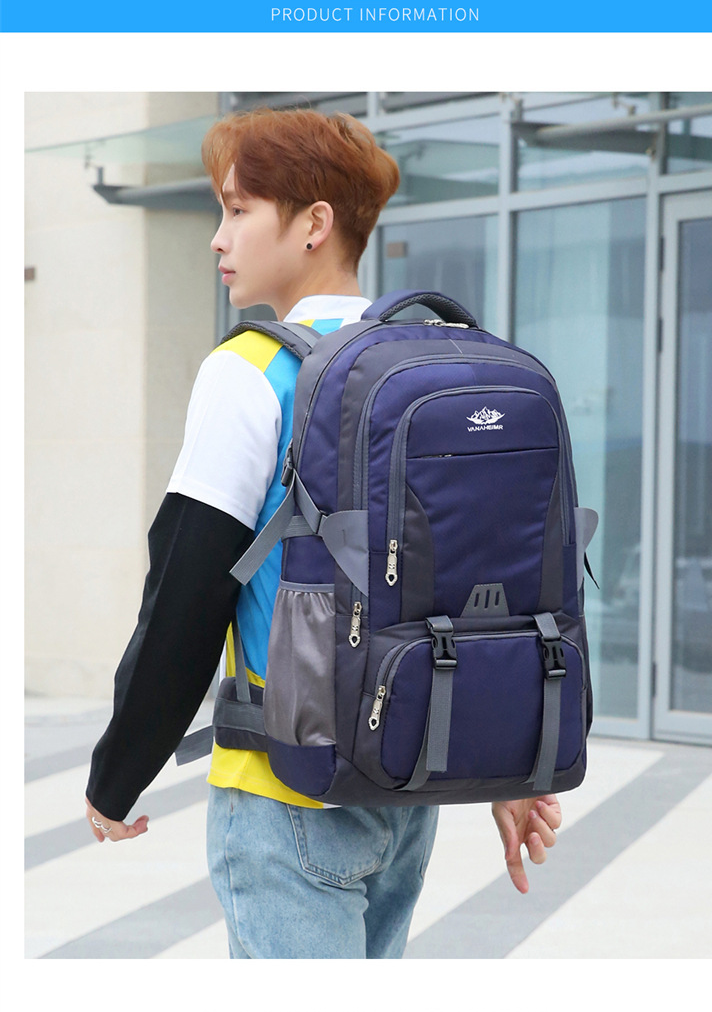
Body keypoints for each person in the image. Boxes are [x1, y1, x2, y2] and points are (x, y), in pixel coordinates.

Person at [85, 106, 562, 958]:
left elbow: (186, 593)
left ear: (313, 223)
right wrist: (507, 763)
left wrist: (117, 773)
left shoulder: (249, 370)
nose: (218, 237)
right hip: (404, 787)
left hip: (286, 791)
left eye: (238, 209)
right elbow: (489, 579)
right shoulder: (431, 358)